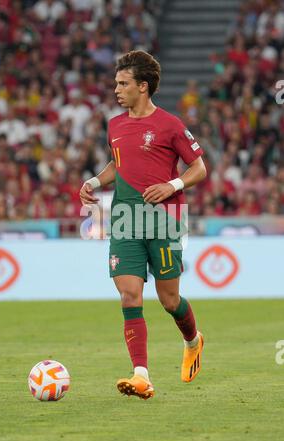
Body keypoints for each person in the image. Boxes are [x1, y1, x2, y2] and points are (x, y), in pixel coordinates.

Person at [79, 50, 207, 400]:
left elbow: (199, 167)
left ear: (143, 86)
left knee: (169, 300)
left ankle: (193, 340)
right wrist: (93, 182)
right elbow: (118, 164)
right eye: (116, 83)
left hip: (163, 220)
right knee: (129, 295)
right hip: (124, 219)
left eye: (123, 83)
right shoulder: (115, 125)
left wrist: (173, 185)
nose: (116, 89)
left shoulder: (170, 125)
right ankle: (141, 375)